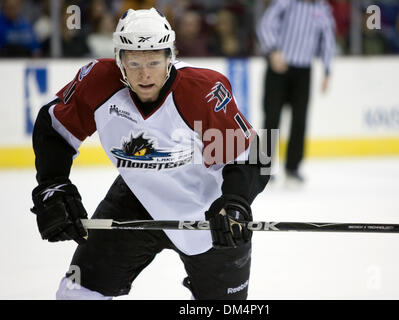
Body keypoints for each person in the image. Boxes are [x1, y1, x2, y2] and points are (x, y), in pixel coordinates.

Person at [30, 8, 269, 300]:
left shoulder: (201, 91)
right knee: (77, 293)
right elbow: (53, 126)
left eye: (154, 61)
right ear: (119, 60)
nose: (144, 74)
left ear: (170, 57)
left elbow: (255, 153)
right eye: (134, 62)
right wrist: (52, 184)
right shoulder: (98, 82)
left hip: (208, 210)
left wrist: (236, 203)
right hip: (138, 197)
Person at [256, 0, 336, 182]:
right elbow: (265, 25)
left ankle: (293, 167)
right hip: (278, 67)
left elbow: (328, 39)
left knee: (300, 118)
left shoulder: (323, 8)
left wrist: (327, 70)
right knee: (271, 116)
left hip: (303, 70)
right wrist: (272, 51)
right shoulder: (286, 3)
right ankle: (263, 166)